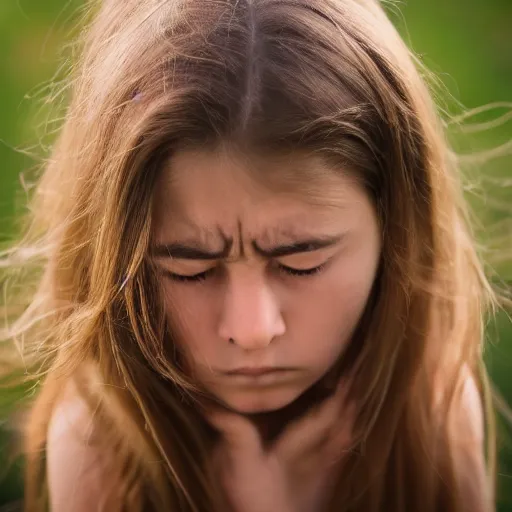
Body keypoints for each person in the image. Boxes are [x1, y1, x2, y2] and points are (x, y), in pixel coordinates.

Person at [0, 0, 501, 510]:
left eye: (300, 262)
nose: (252, 329)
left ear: (396, 228)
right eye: (189, 270)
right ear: (113, 257)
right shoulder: (98, 445)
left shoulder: (431, 414)